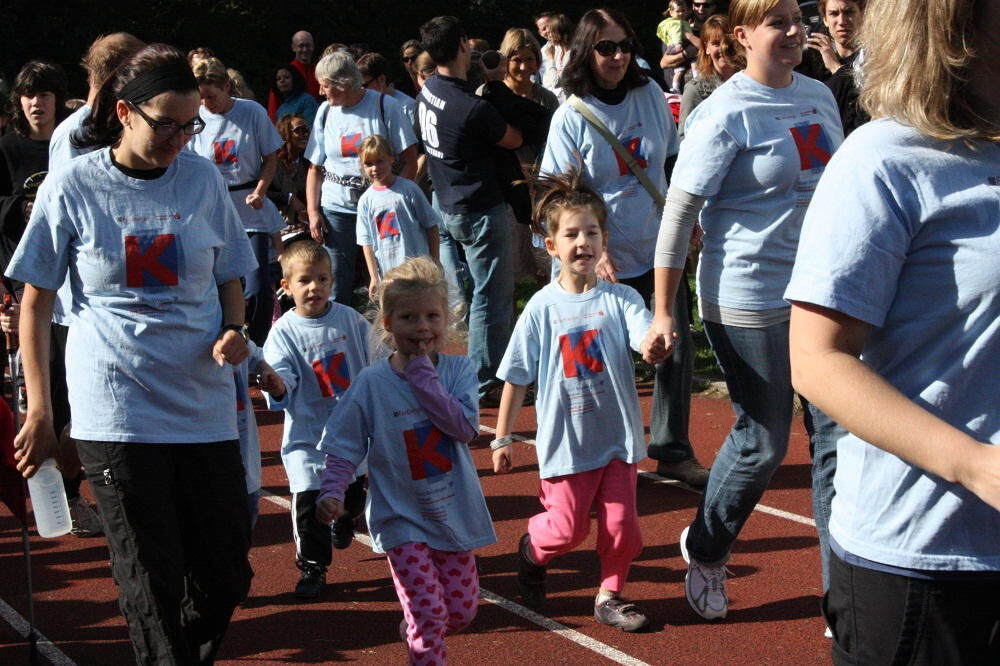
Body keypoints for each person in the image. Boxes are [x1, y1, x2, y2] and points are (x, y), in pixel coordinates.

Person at [7, 43, 255, 664]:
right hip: (117, 409)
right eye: (165, 123)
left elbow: (231, 270)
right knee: (151, 580)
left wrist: (233, 325)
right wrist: (40, 411)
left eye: (190, 123)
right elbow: (35, 301)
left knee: (227, 571)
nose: (179, 137)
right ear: (124, 111)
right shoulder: (75, 183)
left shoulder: (200, 178)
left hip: (202, 404)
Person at [785, 0, 1000, 661]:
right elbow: (817, 361)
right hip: (924, 566)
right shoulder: (884, 159)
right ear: (955, 24)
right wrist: (979, 467)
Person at [649, 0, 844, 621]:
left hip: (822, 293)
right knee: (762, 442)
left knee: (835, 437)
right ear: (742, 34)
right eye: (776, 22)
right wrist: (662, 311)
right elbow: (679, 214)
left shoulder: (819, 95)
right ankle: (707, 549)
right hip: (747, 295)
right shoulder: (724, 112)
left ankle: (842, 597)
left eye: (796, 19)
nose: (793, 32)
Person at [540, 8, 708, 488]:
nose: (617, 57)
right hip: (600, 258)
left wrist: (686, 216)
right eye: (605, 47)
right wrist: (592, 245)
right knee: (601, 360)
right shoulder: (572, 113)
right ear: (585, 51)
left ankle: (673, 449)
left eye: (624, 46)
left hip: (658, 246)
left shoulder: (650, 93)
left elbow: (673, 161)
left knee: (673, 347)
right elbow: (557, 192)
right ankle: (598, 458)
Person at [492, 170, 667, 631]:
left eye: (591, 232)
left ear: (604, 240)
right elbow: (515, 377)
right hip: (566, 444)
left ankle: (610, 595)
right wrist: (502, 438)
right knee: (567, 531)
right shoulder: (542, 308)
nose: (582, 241)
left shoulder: (621, 297)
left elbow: (642, 331)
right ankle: (532, 551)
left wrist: (653, 343)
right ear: (551, 246)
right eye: (571, 234)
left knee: (622, 529)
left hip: (616, 441)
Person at [316, 256, 496, 664]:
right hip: (402, 518)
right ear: (387, 323)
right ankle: (423, 635)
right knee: (431, 613)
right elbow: (343, 442)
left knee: (461, 612)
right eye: (409, 317)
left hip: (452, 514)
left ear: (446, 321)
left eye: (432, 316)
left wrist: (425, 382)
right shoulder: (371, 383)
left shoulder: (458, 371)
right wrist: (332, 489)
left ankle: (415, 627)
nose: (422, 327)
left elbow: (464, 430)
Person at [417, 15, 523, 404]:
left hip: (444, 201)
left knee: (465, 292)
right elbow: (513, 139)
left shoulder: (428, 89)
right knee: (490, 295)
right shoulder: (472, 107)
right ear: (463, 44)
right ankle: (482, 379)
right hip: (476, 207)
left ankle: (467, 369)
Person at [263, 240, 374, 598]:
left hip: (351, 438)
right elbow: (281, 376)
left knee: (353, 497)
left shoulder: (350, 320)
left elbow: (379, 356)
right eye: (305, 280)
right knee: (309, 507)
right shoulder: (283, 333)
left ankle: (345, 516)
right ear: (287, 286)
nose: (315, 288)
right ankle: (313, 567)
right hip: (308, 440)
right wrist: (277, 383)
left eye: (322, 279)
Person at [305, 50, 418, 306]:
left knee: (387, 278)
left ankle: (389, 336)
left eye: (324, 86)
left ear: (343, 84)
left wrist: (395, 197)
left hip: (379, 207)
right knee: (335, 282)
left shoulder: (384, 105)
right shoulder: (325, 112)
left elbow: (410, 159)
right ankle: (340, 336)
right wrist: (313, 211)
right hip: (336, 209)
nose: (321, 92)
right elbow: (314, 168)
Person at [189, 57, 285, 346]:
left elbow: (271, 158)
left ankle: (258, 344)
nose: (207, 103)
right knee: (218, 283)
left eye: (212, 96)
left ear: (227, 87)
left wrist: (261, 189)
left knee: (256, 287)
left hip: (249, 207)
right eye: (202, 97)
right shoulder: (196, 119)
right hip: (214, 206)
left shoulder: (251, 113)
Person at [356, 135, 439, 298]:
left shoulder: (409, 189)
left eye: (380, 161)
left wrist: (435, 261)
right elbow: (367, 242)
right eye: (369, 164)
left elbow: (431, 226)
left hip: (418, 269)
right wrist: (373, 276)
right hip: (389, 275)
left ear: (391, 159)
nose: (375, 168)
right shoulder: (366, 200)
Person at [235, 340, 284, 529]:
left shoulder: (229, 328)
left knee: (247, 514)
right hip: (196, 451)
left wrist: (267, 372)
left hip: (242, 452)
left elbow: (258, 357)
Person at [677, 14, 740, 138]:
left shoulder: (752, 81)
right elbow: (684, 137)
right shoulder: (695, 91)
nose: (723, 48)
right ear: (706, 48)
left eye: (727, 41)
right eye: (716, 43)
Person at [819, 0, 869, 135]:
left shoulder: (874, 60)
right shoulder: (815, 63)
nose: (842, 21)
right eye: (834, 14)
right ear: (825, 20)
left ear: (862, 15)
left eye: (849, 12)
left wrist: (837, 69)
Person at [268, 30, 321, 120]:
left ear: (313, 47)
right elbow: (274, 107)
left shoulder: (319, 71)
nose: (305, 49)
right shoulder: (285, 73)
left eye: (308, 45)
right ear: (293, 47)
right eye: (301, 46)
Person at [269, 114, 311, 227]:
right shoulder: (271, 163)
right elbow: (263, 193)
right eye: (299, 130)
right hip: (274, 225)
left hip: (300, 225)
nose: (305, 134)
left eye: (307, 130)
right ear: (285, 134)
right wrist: (290, 198)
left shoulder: (307, 163)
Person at [357, 52, 417, 127]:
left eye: (364, 85)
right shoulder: (364, 106)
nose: (361, 89)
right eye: (358, 85)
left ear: (381, 79)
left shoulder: (409, 107)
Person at [657, 1, 702, 93]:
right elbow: (664, 63)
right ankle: (676, 87)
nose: (701, 9)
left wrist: (688, 36)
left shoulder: (714, 29)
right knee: (679, 70)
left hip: (700, 91)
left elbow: (706, 48)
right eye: (697, 5)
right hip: (677, 93)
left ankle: (697, 80)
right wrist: (686, 53)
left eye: (706, 5)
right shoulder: (674, 29)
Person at [538, 14, 573, 101]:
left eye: (551, 32)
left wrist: (550, 58)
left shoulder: (573, 53)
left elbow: (556, 82)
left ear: (558, 33)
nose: (549, 36)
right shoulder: (558, 51)